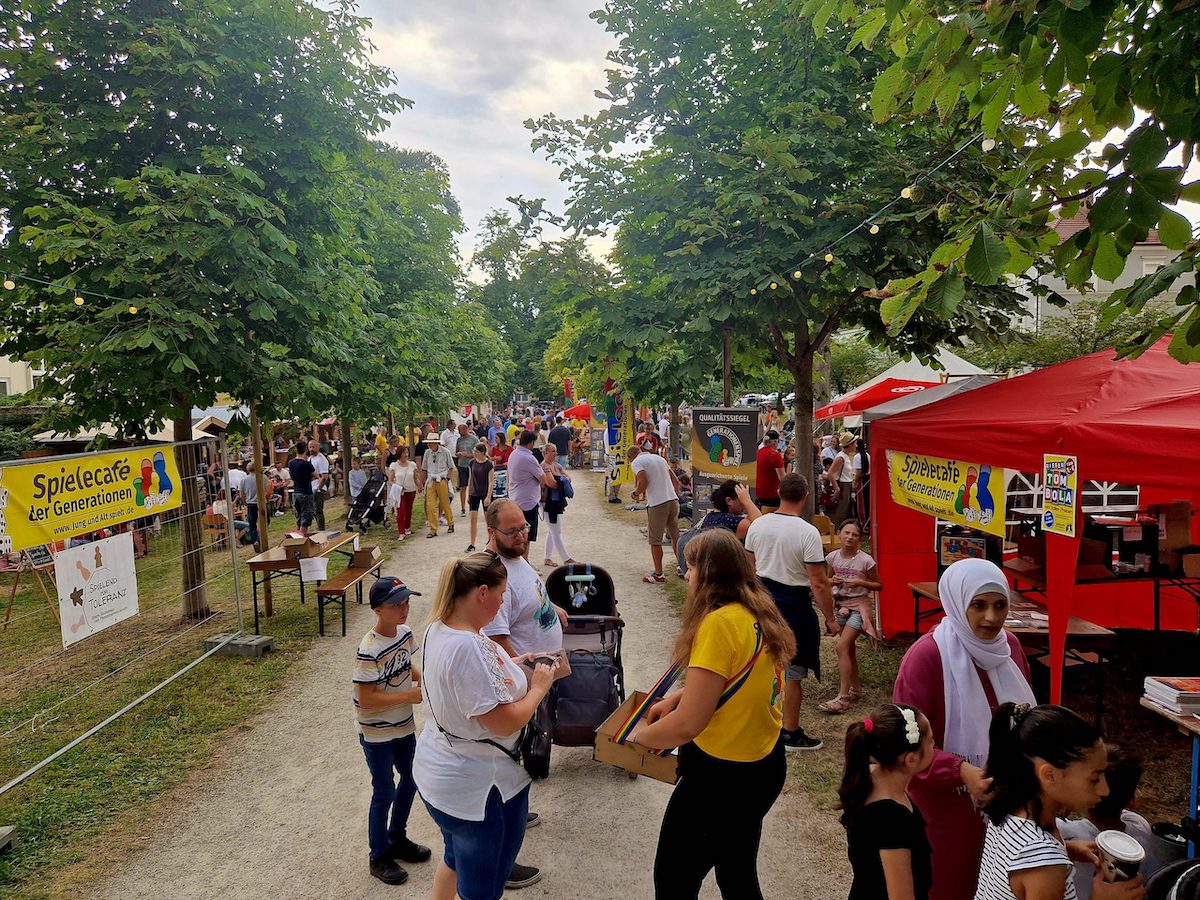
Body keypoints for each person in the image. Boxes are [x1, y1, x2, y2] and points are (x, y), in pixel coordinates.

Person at [634, 529, 796, 900]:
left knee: (674, 880)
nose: (686, 574)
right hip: (764, 764)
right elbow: (738, 679)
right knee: (736, 873)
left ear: (708, 574)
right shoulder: (757, 611)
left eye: (690, 567)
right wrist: (679, 698)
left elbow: (688, 725)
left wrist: (635, 739)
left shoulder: (718, 624)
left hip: (721, 777)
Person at [412, 554, 559, 900]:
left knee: (453, 858)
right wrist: (538, 688)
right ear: (481, 593)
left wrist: (512, 663)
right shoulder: (467, 647)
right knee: (483, 890)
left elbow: (472, 682)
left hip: (442, 773)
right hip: (479, 787)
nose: (503, 602)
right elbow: (504, 721)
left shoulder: (439, 627)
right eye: (501, 594)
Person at [893, 558, 1037, 900]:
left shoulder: (1010, 648)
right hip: (947, 808)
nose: (991, 618)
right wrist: (961, 771)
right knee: (952, 885)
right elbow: (905, 741)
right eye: (978, 605)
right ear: (957, 603)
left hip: (1009, 803)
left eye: (1000, 605)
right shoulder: (927, 656)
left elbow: (1026, 719)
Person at [976, 703, 1145, 900]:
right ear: (1050, 775)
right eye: (1094, 778)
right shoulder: (1046, 867)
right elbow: (1037, 864)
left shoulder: (1010, 806)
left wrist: (1066, 849)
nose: (1105, 790)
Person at [744, 473, 837, 751]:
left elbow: (749, 569)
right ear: (805, 496)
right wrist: (830, 618)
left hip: (762, 603)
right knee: (793, 672)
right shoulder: (807, 532)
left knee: (761, 663)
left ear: (778, 492)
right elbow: (818, 582)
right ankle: (790, 732)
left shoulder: (758, 525)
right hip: (794, 607)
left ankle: (757, 721)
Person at [353, 577, 432, 885]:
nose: (404, 608)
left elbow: (404, 666)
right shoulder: (368, 649)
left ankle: (396, 837)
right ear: (377, 609)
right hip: (377, 732)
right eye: (396, 604)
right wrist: (408, 696)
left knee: (412, 778)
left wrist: (422, 677)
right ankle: (378, 855)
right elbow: (366, 698)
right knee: (384, 790)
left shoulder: (405, 634)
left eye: (406, 602)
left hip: (403, 725)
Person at [839, 704, 935, 900]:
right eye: (931, 741)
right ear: (911, 759)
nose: (934, 745)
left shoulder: (868, 776)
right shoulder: (892, 820)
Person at [1059, 747, 1163, 898]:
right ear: (1131, 798)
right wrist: (1126, 797)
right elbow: (1126, 811)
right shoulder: (1140, 827)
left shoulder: (1066, 833)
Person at [820, 520, 882, 714]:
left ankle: (843, 697)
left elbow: (879, 585)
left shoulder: (866, 560)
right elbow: (827, 580)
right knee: (848, 649)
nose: (849, 537)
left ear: (859, 539)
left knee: (841, 647)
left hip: (859, 607)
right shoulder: (832, 557)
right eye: (846, 533)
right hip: (841, 606)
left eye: (854, 535)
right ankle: (856, 690)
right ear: (839, 533)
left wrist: (860, 582)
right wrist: (832, 581)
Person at [628, 445, 683, 584]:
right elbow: (676, 482)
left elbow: (644, 481)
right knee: (675, 536)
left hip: (658, 503)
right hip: (672, 500)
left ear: (630, 457)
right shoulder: (659, 458)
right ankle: (682, 566)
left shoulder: (637, 462)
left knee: (655, 540)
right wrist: (675, 496)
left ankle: (659, 574)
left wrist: (636, 493)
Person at [507, 431, 555, 556]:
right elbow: (543, 479)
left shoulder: (513, 454)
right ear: (531, 443)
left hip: (515, 497)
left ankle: (520, 560)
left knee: (517, 532)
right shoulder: (529, 458)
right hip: (528, 500)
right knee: (526, 534)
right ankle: (525, 560)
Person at [698, 480, 762, 542]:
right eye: (741, 499)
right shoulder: (737, 522)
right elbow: (760, 524)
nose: (743, 503)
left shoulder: (709, 516)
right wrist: (747, 501)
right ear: (729, 501)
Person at [539, 458, 575, 567]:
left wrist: (562, 480)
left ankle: (547, 558)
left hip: (556, 501)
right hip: (548, 503)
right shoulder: (544, 466)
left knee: (552, 531)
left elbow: (568, 478)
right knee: (556, 531)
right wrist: (562, 480)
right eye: (553, 451)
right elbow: (551, 483)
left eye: (555, 451)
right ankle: (566, 558)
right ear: (546, 453)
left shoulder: (556, 465)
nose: (555, 453)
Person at [419, 434, 456, 539]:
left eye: (431, 443)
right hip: (431, 480)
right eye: (428, 443)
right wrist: (422, 483)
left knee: (445, 503)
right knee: (430, 505)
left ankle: (450, 523)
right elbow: (424, 469)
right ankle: (433, 529)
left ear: (436, 443)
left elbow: (451, 467)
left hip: (442, 479)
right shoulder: (427, 453)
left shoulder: (445, 452)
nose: (430, 445)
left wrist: (447, 479)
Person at [465, 442, 495, 552]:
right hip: (474, 493)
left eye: (476, 451)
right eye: (474, 451)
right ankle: (472, 543)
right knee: (473, 519)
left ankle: (490, 540)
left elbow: (491, 481)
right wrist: (469, 493)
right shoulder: (472, 462)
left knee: (488, 519)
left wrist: (488, 496)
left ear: (482, 453)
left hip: (485, 492)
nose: (474, 453)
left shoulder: (489, 464)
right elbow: (470, 478)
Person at [827, 432, 858, 527]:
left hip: (847, 485)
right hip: (842, 485)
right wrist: (837, 488)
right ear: (850, 445)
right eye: (854, 443)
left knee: (846, 510)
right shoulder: (841, 457)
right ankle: (835, 528)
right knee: (840, 511)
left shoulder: (845, 456)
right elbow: (830, 473)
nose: (856, 445)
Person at [389, 446, 419, 541]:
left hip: (410, 490)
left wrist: (420, 486)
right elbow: (390, 480)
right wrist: (396, 486)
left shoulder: (412, 465)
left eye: (407, 452)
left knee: (408, 510)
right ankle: (401, 532)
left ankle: (407, 527)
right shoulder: (394, 465)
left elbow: (416, 478)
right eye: (404, 453)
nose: (406, 455)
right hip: (400, 492)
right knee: (401, 511)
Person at [287, 443, 316, 534]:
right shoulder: (306, 464)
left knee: (299, 517)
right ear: (306, 450)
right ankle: (302, 537)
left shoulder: (291, 463)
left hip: (296, 492)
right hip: (306, 492)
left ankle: (298, 536)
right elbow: (316, 475)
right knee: (306, 517)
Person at [754, 430, 786, 512]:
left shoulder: (758, 452)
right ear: (775, 442)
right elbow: (782, 478)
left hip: (758, 492)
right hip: (772, 494)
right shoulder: (775, 455)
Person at [308, 439, 331, 532]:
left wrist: (318, 489)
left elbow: (325, 476)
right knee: (313, 510)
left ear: (318, 447)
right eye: (310, 447)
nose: (311, 449)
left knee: (318, 510)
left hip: (318, 488)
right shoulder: (310, 458)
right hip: (311, 486)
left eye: (313, 447)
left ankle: (321, 529)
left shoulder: (321, 459)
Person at [455, 423, 477, 517]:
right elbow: (456, 451)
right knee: (462, 486)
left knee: (472, 486)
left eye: (460, 431)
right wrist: (458, 454)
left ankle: (472, 506)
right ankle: (463, 507)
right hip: (461, 465)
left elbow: (478, 453)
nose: (459, 433)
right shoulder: (459, 440)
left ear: (465, 429)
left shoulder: (474, 439)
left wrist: (468, 455)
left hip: (472, 465)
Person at [242, 461, 261, 546]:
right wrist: (266, 499)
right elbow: (268, 491)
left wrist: (244, 502)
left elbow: (241, 494)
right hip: (261, 502)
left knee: (252, 524)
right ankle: (259, 538)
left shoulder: (244, 480)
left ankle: (255, 541)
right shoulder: (262, 477)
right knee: (264, 521)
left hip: (250, 503)